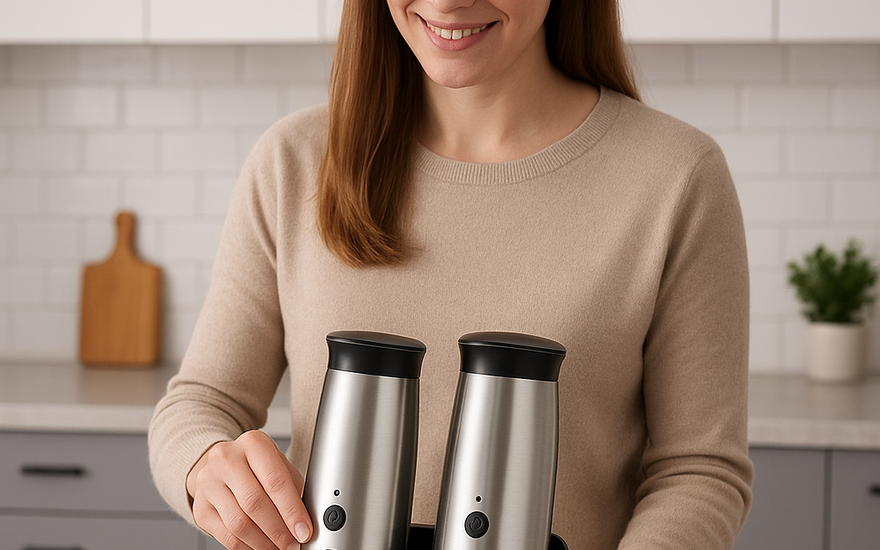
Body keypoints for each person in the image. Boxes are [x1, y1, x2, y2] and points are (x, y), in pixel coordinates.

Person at [148, 0, 754, 549]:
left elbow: (698, 471)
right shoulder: (294, 160)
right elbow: (202, 402)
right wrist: (206, 465)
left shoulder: (676, 177)